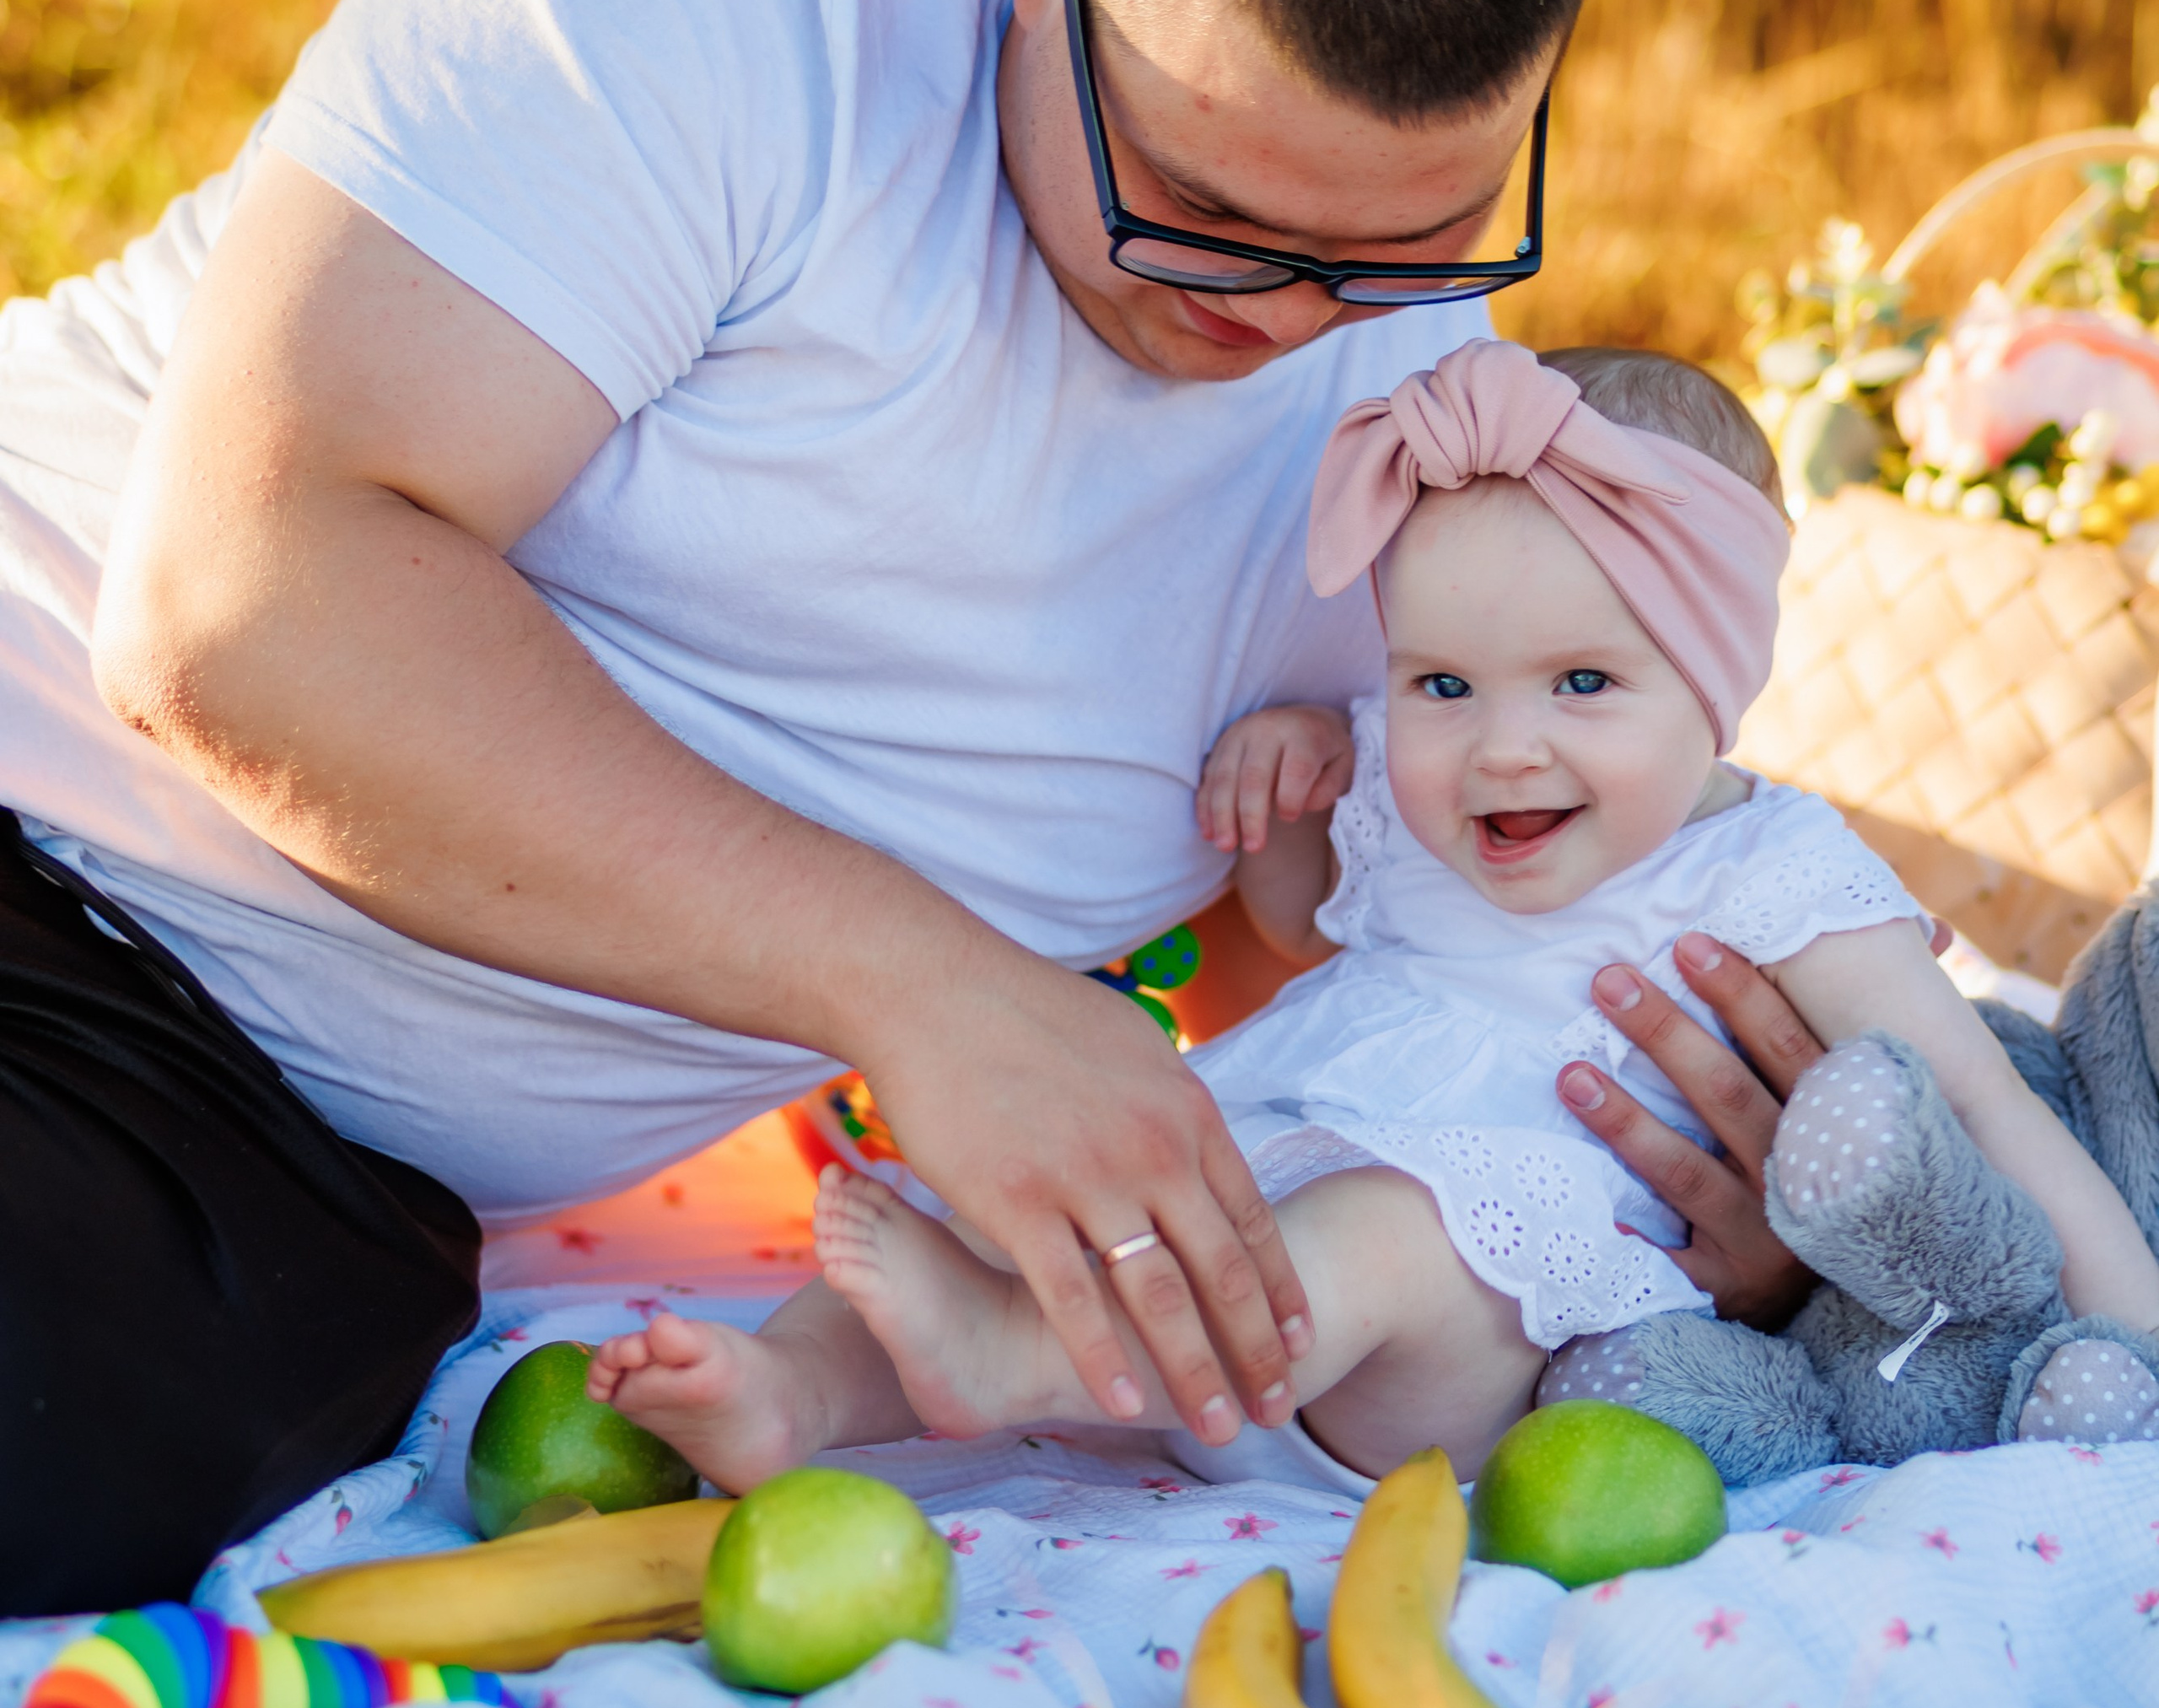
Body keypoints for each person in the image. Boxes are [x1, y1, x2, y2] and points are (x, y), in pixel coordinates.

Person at [0, 0, 1817, 1614]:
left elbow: (1322, 997)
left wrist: (1645, 1206)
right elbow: (241, 617)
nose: (1278, 323)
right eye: (1193, 217)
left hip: (279, 1167)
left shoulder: (1425, 468)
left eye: (1402, 241)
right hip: (35, 809)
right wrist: (918, 981)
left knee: (70, 1459)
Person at [586, 340, 2159, 1486]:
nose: (1503, 744)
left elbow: (1977, 1099)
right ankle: (793, 1392)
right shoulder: (1419, 806)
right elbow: (1316, 930)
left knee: (1397, 1238)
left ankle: (1012, 1358)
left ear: (1720, 682)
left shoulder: (1776, 877)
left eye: (1585, 683)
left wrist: (2142, 1331)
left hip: (1476, 1330)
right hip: (1272, 1170)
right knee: (1024, 1180)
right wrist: (1289, 795)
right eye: (1441, 684)